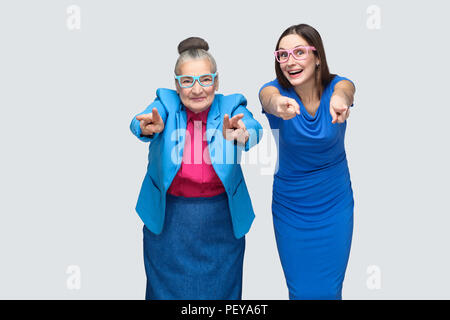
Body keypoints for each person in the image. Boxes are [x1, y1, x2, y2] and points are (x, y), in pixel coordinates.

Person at [130, 37, 262, 300]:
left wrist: (243, 135)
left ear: (216, 81)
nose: (197, 89)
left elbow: (253, 128)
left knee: (222, 292)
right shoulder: (165, 103)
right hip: (170, 219)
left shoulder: (231, 105)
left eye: (205, 79)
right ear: (177, 86)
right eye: (187, 81)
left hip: (221, 219)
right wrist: (144, 127)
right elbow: (141, 120)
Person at [259, 24, 356, 300]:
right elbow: (268, 99)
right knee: (301, 291)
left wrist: (340, 99)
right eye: (283, 55)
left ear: (317, 57)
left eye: (299, 52)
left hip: (335, 204)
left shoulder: (337, 87)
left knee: (330, 290)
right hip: (292, 207)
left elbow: (346, 90)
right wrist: (277, 105)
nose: (290, 61)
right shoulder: (273, 91)